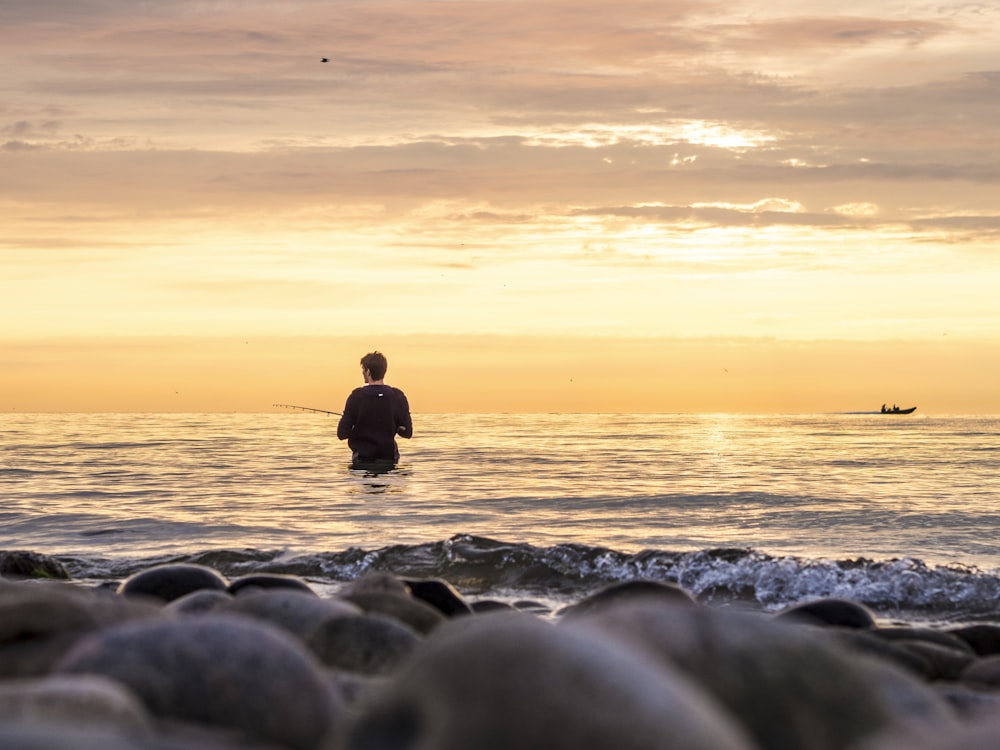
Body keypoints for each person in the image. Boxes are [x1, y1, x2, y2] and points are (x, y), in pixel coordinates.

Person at [337, 351, 412, 468]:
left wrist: (357, 427)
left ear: (368, 371)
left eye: (363, 369)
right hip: (389, 458)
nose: (362, 372)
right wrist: (396, 427)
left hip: (362, 459)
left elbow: (342, 433)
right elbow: (408, 432)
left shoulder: (357, 396)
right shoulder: (398, 396)